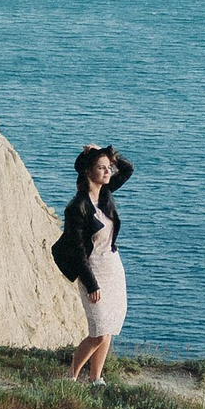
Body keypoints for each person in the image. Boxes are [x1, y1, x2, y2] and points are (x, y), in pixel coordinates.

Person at [58, 144, 133, 383]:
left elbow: (128, 169)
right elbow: (78, 251)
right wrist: (91, 284)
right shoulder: (77, 207)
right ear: (88, 172)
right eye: (101, 168)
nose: (108, 171)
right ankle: (70, 377)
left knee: (107, 328)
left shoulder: (105, 196)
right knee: (98, 332)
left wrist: (110, 154)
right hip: (93, 271)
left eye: (108, 167)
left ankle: (95, 379)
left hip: (113, 269)